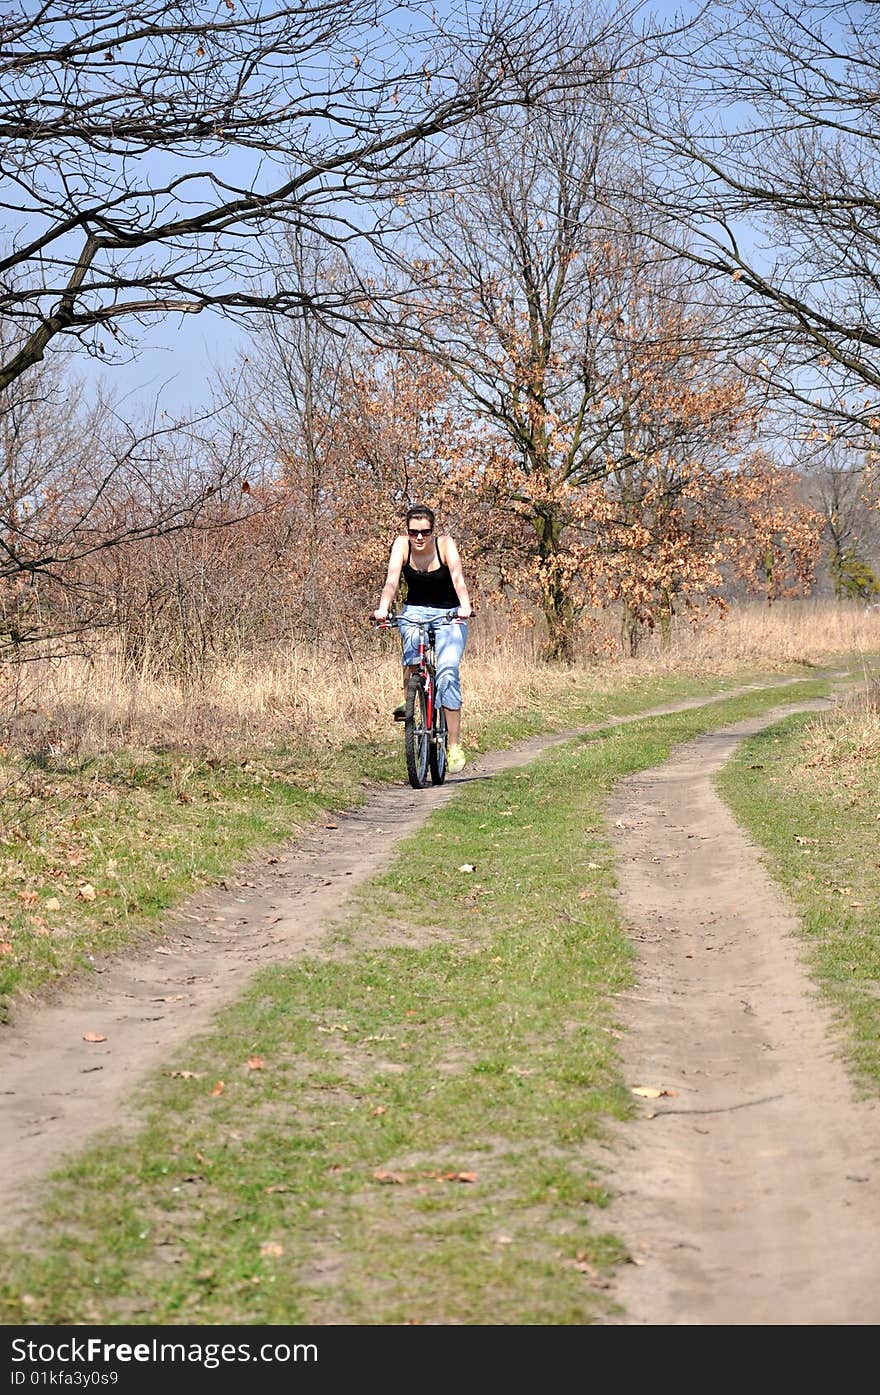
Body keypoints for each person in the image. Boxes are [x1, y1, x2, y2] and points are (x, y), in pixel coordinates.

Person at [373, 504, 473, 774]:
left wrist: (465, 606)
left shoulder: (445, 545)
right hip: (415, 612)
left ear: (433, 531)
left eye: (424, 532)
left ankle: (453, 745)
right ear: (407, 531)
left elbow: (458, 579)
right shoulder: (401, 546)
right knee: (412, 654)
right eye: (413, 531)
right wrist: (383, 609)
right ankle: (410, 699)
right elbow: (391, 581)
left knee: (448, 672)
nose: (419, 537)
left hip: (450, 614)